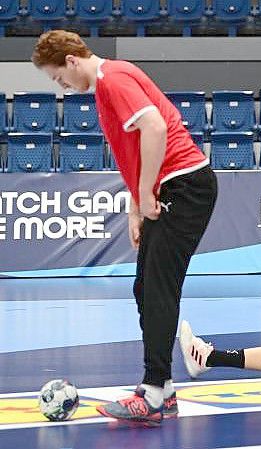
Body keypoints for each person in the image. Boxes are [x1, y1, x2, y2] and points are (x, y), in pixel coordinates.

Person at [32, 30, 217, 425]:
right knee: (145, 288)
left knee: (158, 288)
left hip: (183, 184)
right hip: (170, 186)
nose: (62, 87)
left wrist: (148, 191)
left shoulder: (113, 79)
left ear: (71, 61)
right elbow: (132, 148)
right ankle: (162, 389)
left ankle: (151, 394)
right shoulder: (105, 84)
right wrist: (136, 206)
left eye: (58, 78)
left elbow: (154, 128)